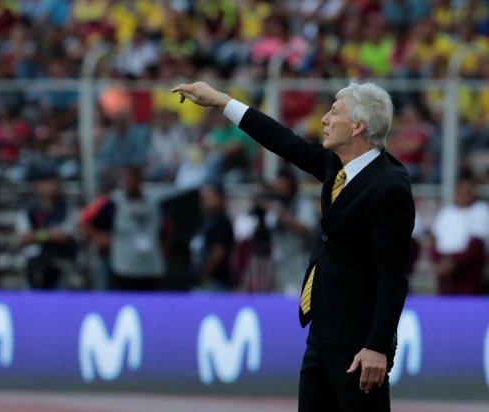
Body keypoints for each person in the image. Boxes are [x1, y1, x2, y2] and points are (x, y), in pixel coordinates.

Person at [172, 81, 414, 411]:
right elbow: (282, 140)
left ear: (358, 127)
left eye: (334, 112)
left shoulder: (390, 186)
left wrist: (377, 346)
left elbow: (392, 275)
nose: (324, 119)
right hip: (321, 332)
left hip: (359, 343)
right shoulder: (336, 165)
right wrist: (221, 101)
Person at [15, 169, 77, 289]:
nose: (50, 186)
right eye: (45, 182)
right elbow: (23, 238)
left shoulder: (66, 208)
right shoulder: (29, 209)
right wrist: (48, 235)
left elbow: (63, 236)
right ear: (38, 185)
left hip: (60, 262)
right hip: (33, 264)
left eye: (53, 182)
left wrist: (37, 235)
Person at [430, 173, 489, 295]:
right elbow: (435, 241)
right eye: (461, 191)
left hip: (468, 271)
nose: (464, 195)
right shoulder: (447, 212)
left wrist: (455, 263)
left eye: (467, 192)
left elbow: (477, 246)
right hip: (445, 269)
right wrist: (438, 262)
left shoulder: (481, 211)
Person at [190, 183, 235, 292]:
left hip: (214, 283)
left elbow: (218, 251)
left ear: (220, 198)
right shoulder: (207, 220)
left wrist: (204, 275)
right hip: (203, 281)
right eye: (203, 198)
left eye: (209, 197)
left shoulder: (221, 222)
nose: (205, 201)